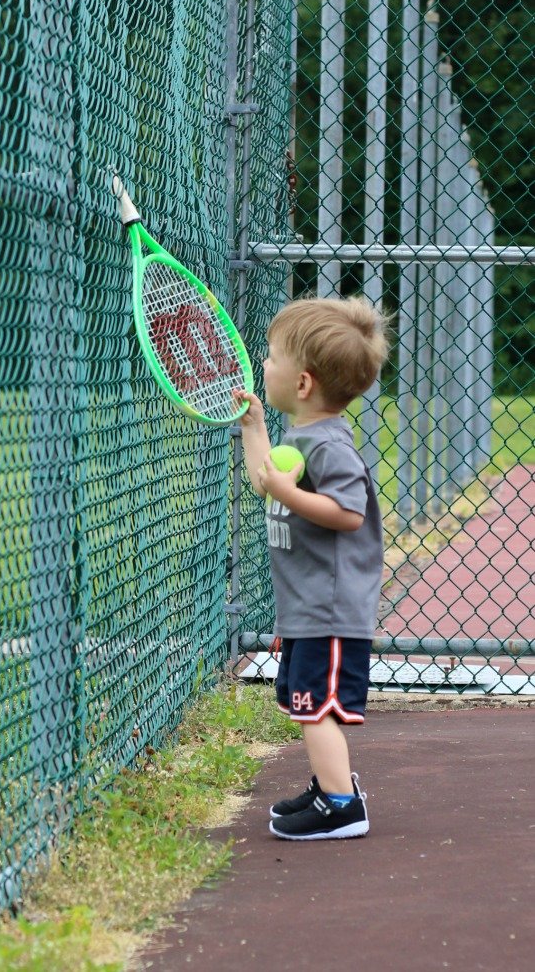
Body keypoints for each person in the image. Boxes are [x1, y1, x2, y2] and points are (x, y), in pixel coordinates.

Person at [233, 295, 390, 841]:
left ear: (302, 383)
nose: (264, 365)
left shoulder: (330, 448)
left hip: (330, 610)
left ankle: (343, 805)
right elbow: (265, 480)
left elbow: (348, 513)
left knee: (314, 708)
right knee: (306, 703)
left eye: (271, 357)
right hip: (308, 609)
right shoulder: (300, 439)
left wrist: (283, 490)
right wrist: (255, 429)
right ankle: (330, 788)